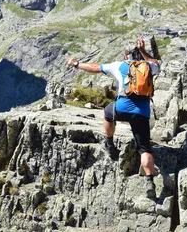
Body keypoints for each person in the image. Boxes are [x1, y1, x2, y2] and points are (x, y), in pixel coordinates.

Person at [66, 37, 161, 199]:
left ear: (127, 56)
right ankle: (150, 182)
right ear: (140, 54)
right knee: (145, 149)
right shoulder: (150, 67)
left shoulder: (119, 66)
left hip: (121, 108)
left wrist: (76, 64)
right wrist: (145, 50)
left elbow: (94, 68)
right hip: (141, 113)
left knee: (108, 113)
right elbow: (156, 63)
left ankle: (109, 143)